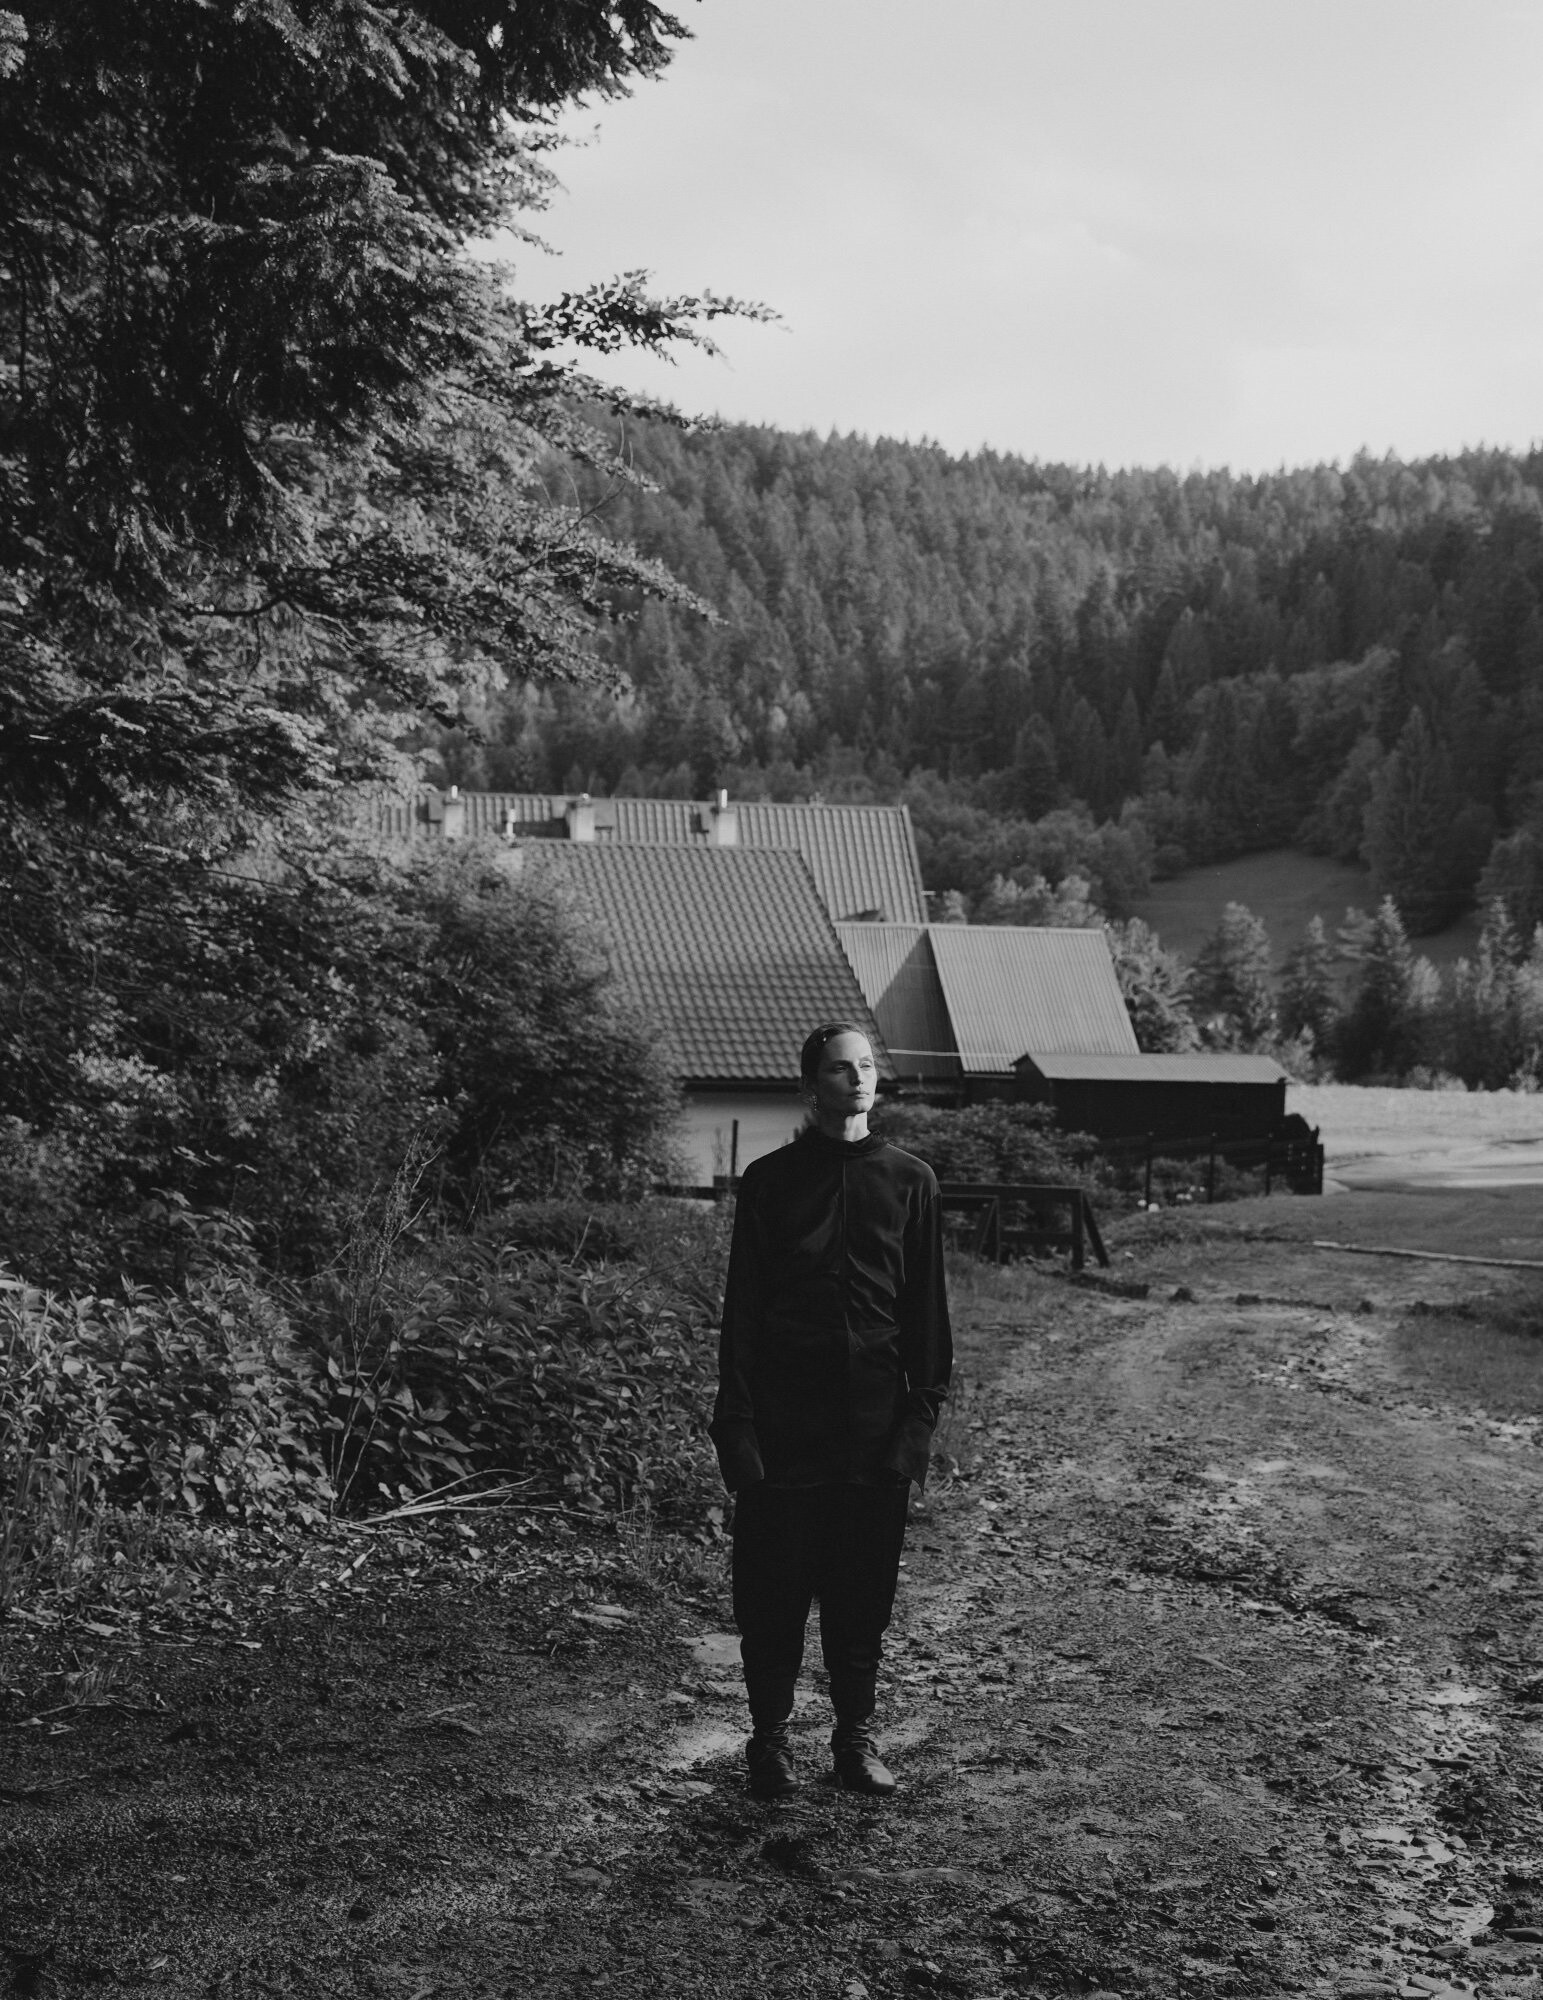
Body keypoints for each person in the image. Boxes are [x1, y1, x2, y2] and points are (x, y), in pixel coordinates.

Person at [709, 1022, 952, 1799]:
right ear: (810, 1085)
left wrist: (912, 1433)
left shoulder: (911, 1181)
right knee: (771, 1601)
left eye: (866, 1066)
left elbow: (927, 1319)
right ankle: (769, 1744)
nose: (858, 1078)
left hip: (872, 1433)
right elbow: (742, 1314)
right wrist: (737, 1431)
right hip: (783, 1431)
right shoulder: (770, 1181)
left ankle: (854, 1742)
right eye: (841, 1069)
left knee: (860, 1604)